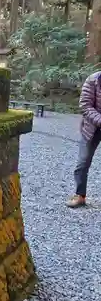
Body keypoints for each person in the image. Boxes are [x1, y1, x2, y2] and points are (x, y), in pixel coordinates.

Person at [67, 71, 101, 208]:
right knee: (83, 163)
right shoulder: (93, 80)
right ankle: (80, 195)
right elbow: (85, 105)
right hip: (91, 128)